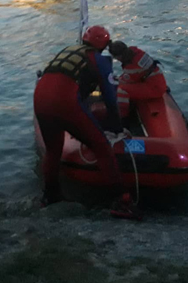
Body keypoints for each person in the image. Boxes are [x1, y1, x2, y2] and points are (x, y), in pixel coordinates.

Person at [34, 26, 139, 220]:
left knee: (53, 150)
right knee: (102, 147)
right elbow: (109, 96)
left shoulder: (68, 51)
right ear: (105, 45)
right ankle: (121, 201)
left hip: (40, 98)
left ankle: (49, 196)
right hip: (64, 101)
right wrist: (116, 128)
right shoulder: (98, 60)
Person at [108, 41, 168, 117]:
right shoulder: (137, 52)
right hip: (158, 82)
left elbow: (127, 81)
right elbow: (137, 74)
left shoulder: (131, 67)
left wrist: (114, 81)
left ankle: (122, 116)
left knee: (121, 90)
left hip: (155, 88)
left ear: (119, 56)